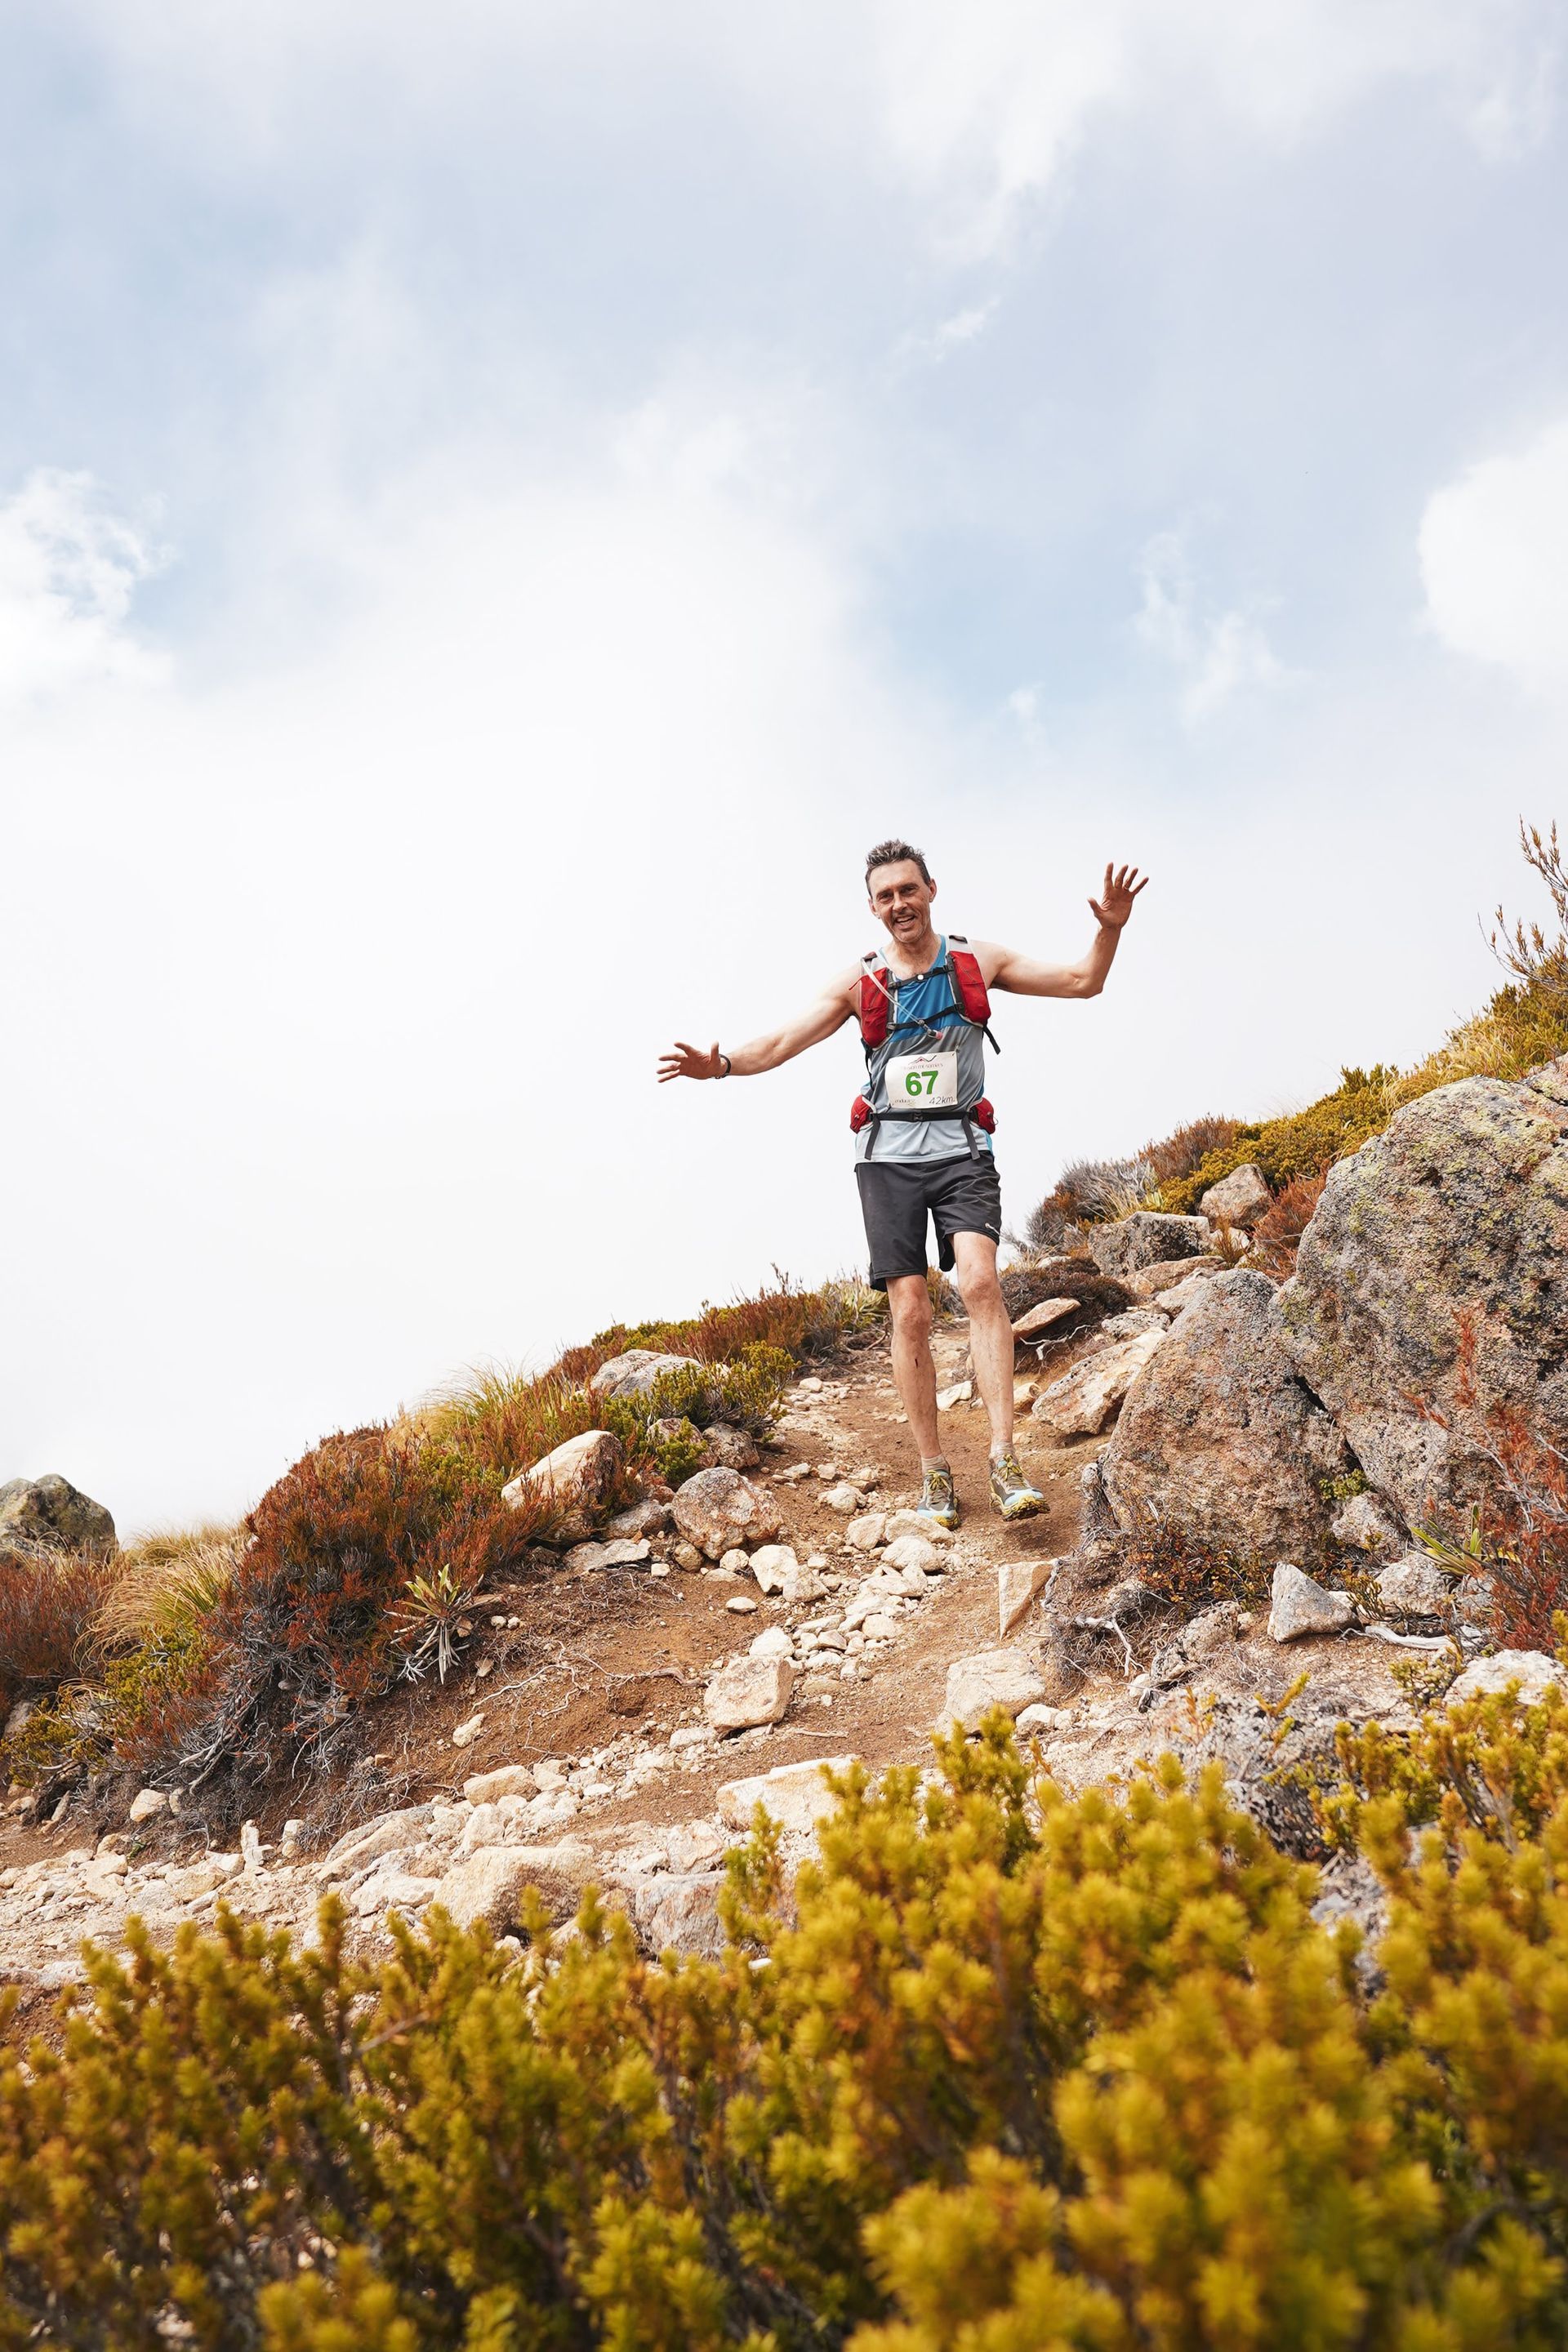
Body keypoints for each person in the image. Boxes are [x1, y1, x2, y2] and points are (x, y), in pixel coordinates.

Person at [657, 839, 1147, 1529]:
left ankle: (1005, 1461)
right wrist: (724, 1065)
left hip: (964, 1151)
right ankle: (934, 1473)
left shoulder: (977, 961)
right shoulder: (860, 983)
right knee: (910, 1309)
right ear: (872, 907)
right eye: (885, 896)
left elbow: (1082, 982)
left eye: (908, 891)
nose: (899, 905)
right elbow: (778, 1044)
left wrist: (1110, 929)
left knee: (979, 1283)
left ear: (931, 890)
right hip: (887, 1160)